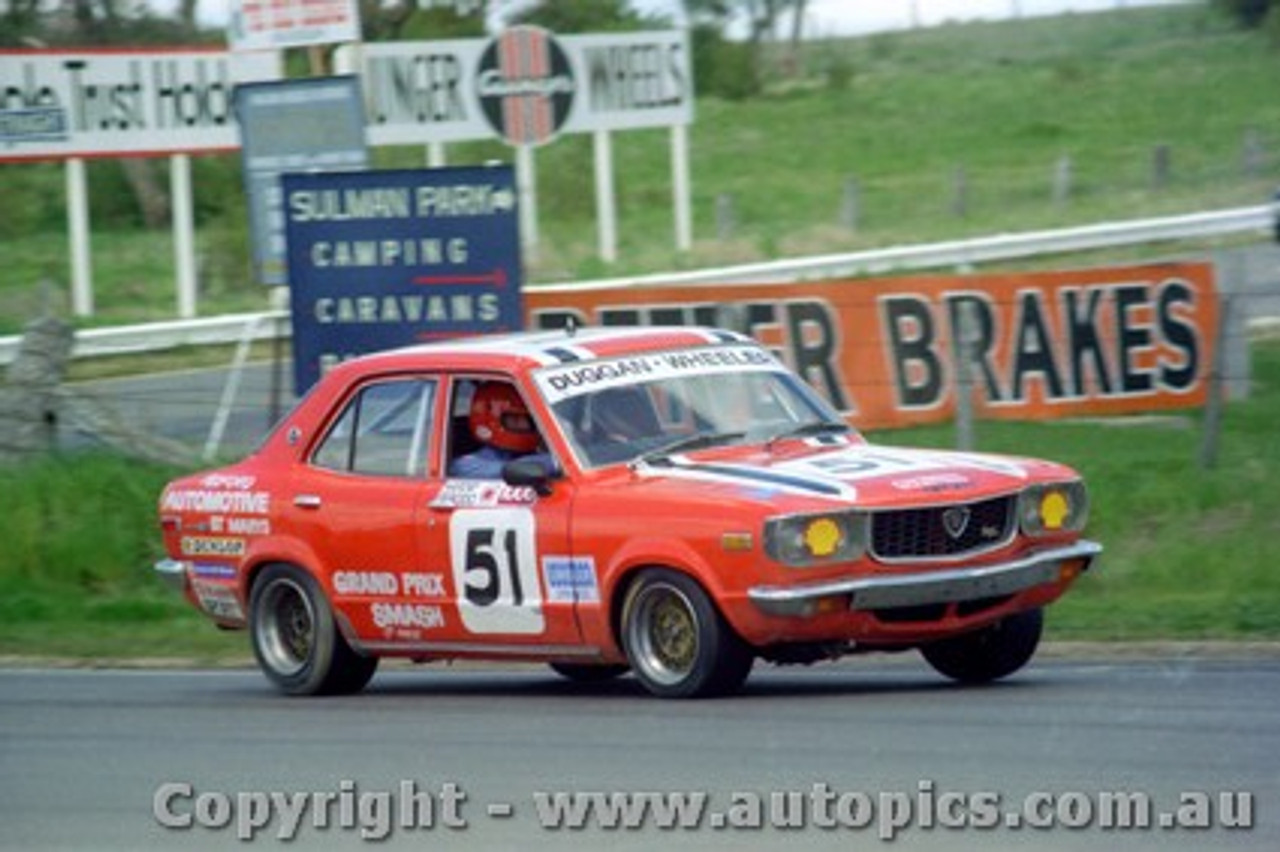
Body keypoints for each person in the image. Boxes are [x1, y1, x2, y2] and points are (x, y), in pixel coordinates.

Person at [449, 382, 545, 479]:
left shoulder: (532, 452)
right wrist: (554, 463)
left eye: (528, 419)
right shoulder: (465, 466)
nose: (524, 425)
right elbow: (517, 469)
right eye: (515, 419)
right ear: (489, 419)